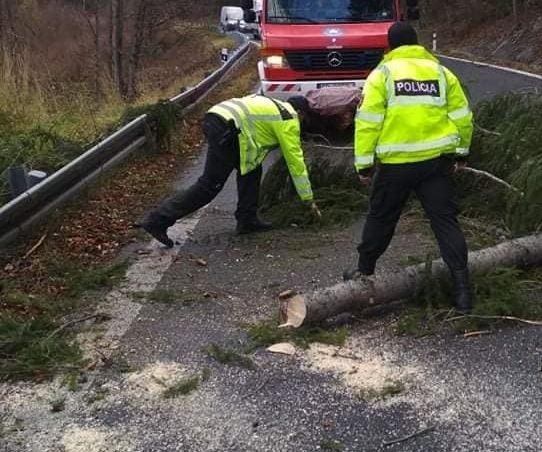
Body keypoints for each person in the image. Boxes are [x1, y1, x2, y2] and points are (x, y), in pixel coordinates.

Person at [344, 22, 474, 312]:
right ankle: (463, 291)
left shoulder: (382, 75)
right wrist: (462, 153)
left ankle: (364, 274)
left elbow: (367, 122)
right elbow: (463, 116)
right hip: (435, 164)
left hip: (395, 166)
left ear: (389, 47)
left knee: (381, 219)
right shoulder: (441, 72)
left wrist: (363, 165)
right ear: (418, 43)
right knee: (445, 223)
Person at [137, 94, 319, 247]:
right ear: (301, 113)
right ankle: (157, 221)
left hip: (218, 119)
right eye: (305, 118)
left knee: (252, 170)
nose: (304, 122)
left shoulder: (274, 104)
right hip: (227, 129)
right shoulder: (289, 119)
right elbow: (296, 163)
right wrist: (308, 199)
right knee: (209, 185)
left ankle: (247, 220)